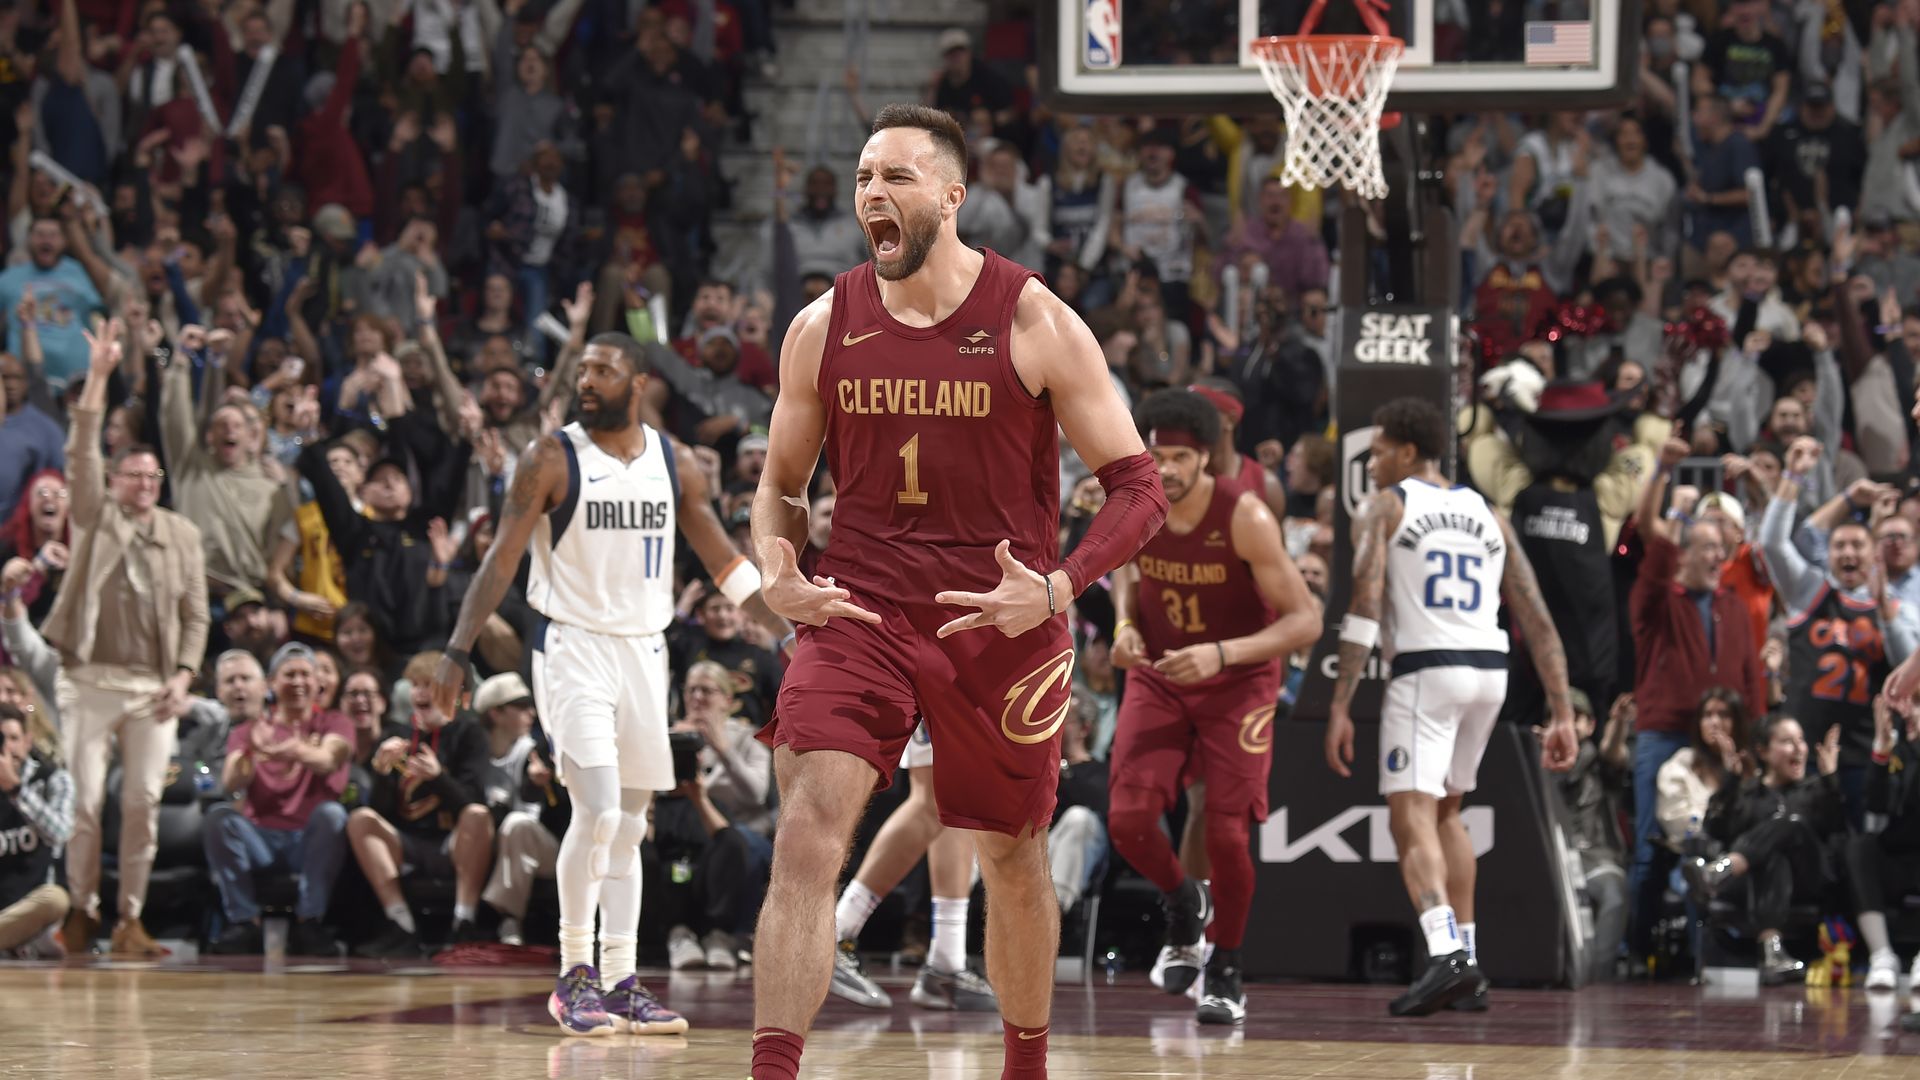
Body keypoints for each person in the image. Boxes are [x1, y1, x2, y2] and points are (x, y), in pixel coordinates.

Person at [747, 104, 1167, 1080]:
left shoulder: (1035, 319)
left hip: (1001, 618)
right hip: (860, 609)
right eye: (861, 179)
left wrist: (1058, 588)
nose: (870, 196)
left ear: (951, 194)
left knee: (1011, 857)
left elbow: (1139, 489)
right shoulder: (822, 325)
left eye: (894, 177)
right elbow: (780, 485)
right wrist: (776, 566)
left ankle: (1026, 1065)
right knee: (808, 831)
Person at [430, 331, 786, 1037]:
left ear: (640, 380)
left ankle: (622, 982)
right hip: (571, 647)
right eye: (583, 369)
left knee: (628, 826)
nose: (586, 380)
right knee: (593, 809)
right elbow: (501, 560)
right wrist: (456, 649)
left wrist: (789, 630)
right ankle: (573, 975)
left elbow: (722, 558)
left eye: (603, 369)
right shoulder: (550, 457)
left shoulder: (674, 462)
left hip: (644, 653)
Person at [1324, 397, 1578, 1017]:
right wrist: (1564, 710)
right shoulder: (1486, 511)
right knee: (1448, 812)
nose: (1373, 459)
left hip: (1427, 671)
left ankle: (1444, 956)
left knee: (1408, 814)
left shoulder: (1386, 506)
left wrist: (1339, 703)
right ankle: (1468, 956)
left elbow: (1363, 605)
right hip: (1489, 673)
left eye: (1380, 448)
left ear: (1408, 452)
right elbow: (1537, 617)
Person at [1106, 388, 1319, 1024]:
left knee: (1226, 833)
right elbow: (1125, 572)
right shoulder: (1137, 505)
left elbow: (1307, 621)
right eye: (1157, 453)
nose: (1165, 467)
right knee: (1128, 818)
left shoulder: (1245, 515)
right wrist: (1122, 626)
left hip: (1238, 681)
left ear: (1205, 459)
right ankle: (1181, 904)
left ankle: (1226, 967)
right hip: (1162, 675)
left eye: (1178, 456)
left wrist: (1223, 655)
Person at [43, 322, 209, 959]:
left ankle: (129, 920)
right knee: (85, 802)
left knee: (141, 801)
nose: (144, 483)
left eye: (152, 476)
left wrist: (185, 674)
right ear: (114, 482)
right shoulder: (94, 517)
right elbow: (82, 453)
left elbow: (196, 616)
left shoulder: (182, 535)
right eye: (132, 475)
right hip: (88, 679)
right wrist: (102, 376)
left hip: (152, 689)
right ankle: (80, 910)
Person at [827, 720, 999, 1012]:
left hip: (970, 678)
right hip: (950, 677)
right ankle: (835, 934)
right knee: (933, 797)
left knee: (958, 800)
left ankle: (947, 960)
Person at [203, 647, 352, 955]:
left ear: (317, 683)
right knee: (219, 817)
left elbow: (327, 759)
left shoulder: (335, 723)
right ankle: (244, 922)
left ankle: (309, 921)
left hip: (308, 840)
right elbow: (231, 781)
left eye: (305, 675)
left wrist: (290, 749)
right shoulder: (250, 730)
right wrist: (248, 753)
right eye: (289, 674)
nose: (298, 682)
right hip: (262, 840)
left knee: (333, 815)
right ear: (272, 683)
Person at [1686, 715, 1844, 983]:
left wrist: (1830, 780)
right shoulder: (1749, 793)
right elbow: (1717, 830)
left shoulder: (1816, 790)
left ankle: (1720, 871)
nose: (1798, 749)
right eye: (1786, 742)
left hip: (1808, 878)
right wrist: (1731, 782)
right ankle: (1772, 952)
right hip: (1755, 883)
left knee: (1790, 825)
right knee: (1773, 859)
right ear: (1763, 752)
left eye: (1801, 741)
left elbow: (1838, 828)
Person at [1852, 693, 1920, 990]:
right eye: (1907, 703)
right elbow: (1877, 807)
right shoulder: (1899, 751)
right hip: (1900, 859)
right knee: (1860, 847)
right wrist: (1881, 749)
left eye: (1918, 703)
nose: (1909, 712)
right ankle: (1882, 955)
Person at [0, 703, 73, 958]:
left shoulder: (52, 779)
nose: (7, 747)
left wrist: (15, 789)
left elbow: (60, 833)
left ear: (28, 741)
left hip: (31, 906)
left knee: (56, 899)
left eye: (13, 738)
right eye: (1, 739)